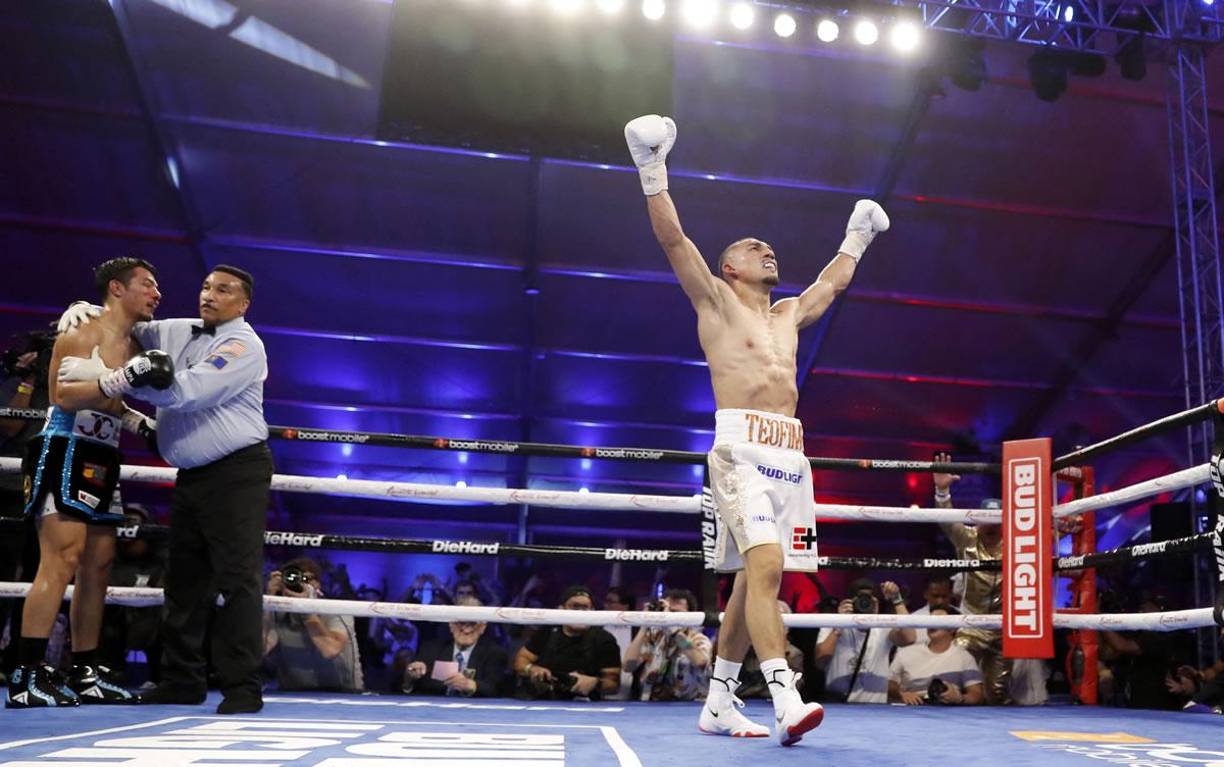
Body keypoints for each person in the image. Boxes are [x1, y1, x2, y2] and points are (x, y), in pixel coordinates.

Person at [624, 113, 889, 744]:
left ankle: (717, 700)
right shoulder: (714, 301)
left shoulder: (790, 314)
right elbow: (673, 241)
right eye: (751, 247)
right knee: (766, 568)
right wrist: (651, 168)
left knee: (753, 580)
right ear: (731, 268)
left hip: (790, 455)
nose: (767, 249)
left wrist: (856, 237)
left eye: (768, 246)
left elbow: (832, 282)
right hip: (740, 450)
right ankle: (784, 696)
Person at [57, 265, 273, 714]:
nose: (210, 295)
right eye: (206, 287)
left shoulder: (244, 346)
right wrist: (88, 311)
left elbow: (188, 392)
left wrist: (114, 383)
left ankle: (242, 688)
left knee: (237, 580)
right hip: (192, 476)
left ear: (243, 303)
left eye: (224, 290)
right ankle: (182, 680)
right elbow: (125, 319)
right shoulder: (174, 330)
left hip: (236, 475)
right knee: (183, 582)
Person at [7, 257, 165, 708]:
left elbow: (111, 401)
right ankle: (27, 674)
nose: (157, 294)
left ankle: (84, 671)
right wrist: (120, 379)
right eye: (148, 285)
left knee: (98, 565)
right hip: (65, 447)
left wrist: (141, 425)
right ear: (117, 288)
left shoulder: (133, 343)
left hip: (104, 453)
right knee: (62, 559)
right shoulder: (81, 329)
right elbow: (61, 395)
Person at [931, 454, 1010, 703]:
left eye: (997, 520)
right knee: (955, 681)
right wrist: (942, 491)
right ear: (978, 520)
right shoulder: (967, 539)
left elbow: (1043, 537)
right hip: (971, 625)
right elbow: (947, 522)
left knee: (997, 693)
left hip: (1004, 628)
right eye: (987, 519)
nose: (991, 525)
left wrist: (1062, 524)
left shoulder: (1017, 545)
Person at [263, 558, 362, 693]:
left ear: (318, 585)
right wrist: (269, 602)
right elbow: (259, 651)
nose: (300, 584)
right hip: (293, 696)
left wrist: (306, 610)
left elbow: (330, 650)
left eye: (306, 579)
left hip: (343, 695)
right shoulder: (276, 614)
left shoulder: (337, 610)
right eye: (293, 579)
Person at [814, 578, 915, 703]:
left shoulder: (883, 627)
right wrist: (839, 626)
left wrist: (897, 600)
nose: (864, 604)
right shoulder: (833, 624)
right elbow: (820, 660)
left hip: (875, 709)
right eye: (860, 600)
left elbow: (910, 638)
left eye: (868, 600)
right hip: (840, 707)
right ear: (849, 602)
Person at [513, 585, 621, 700]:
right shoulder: (548, 632)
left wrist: (596, 683)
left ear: (592, 611)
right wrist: (532, 669)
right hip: (543, 700)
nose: (580, 613)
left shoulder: (604, 639)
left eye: (585, 608)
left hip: (584, 705)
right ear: (561, 610)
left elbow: (613, 684)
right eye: (575, 607)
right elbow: (520, 660)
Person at [401, 596, 507, 697]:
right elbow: (410, 687)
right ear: (451, 625)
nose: (466, 629)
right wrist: (409, 677)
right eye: (461, 622)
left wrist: (472, 686)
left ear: (482, 627)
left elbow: (497, 688)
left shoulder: (495, 653)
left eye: (472, 623)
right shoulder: (430, 650)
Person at [623, 588, 711, 701]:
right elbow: (628, 666)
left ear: (690, 616)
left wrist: (672, 628)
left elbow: (700, 662)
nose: (669, 616)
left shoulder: (698, 639)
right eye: (668, 611)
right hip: (652, 704)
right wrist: (644, 625)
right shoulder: (654, 637)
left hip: (689, 705)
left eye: (676, 613)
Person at [889, 606, 984, 705]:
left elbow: (977, 694)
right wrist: (902, 694)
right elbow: (890, 684)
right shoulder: (906, 652)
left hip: (948, 712)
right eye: (930, 620)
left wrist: (959, 698)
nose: (932, 625)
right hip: (910, 710)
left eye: (938, 621)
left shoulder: (965, 657)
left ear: (952, 628)